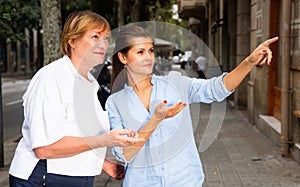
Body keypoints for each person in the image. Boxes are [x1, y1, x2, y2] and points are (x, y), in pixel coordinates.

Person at [105, 25, 278, 186]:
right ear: (123, 57)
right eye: (140, 52)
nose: (149, 57)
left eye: (151, 51)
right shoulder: (115, 102)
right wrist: (156, 119)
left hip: (184, 180)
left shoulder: (175, 83)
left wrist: (249, 62)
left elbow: (216, 89)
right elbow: (124, 155)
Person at [9, 11, 144, 187]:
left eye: (105, 38)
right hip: (44, 177)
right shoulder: (51, 78)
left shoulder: (88, 83)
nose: (102, 44)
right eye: (95, 36)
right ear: (72, 41)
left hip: (77, 177)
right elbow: (44, 148)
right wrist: (106, 140)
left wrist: (102, 163)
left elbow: (81, 135)